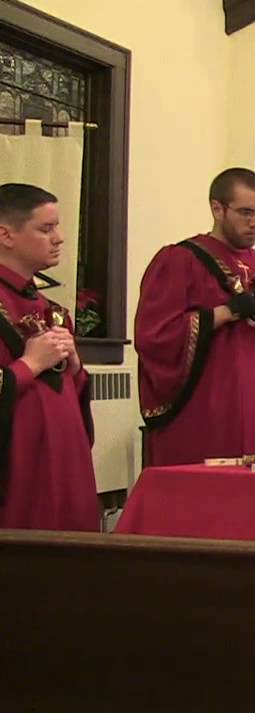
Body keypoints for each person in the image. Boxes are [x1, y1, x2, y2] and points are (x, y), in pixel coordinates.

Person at [135, 168, 255, 466]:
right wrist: (224, 313)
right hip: (207, 407)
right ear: (217, 208)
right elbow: (154, 336)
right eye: (246, 212)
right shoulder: (180, 259)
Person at [0, 183, 98, 530]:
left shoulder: (48, 306)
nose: (59, 238)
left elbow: (68, 387)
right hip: (20, 470)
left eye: (57, 227)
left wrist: (76, 369)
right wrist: (29, 365)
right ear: (6, 235)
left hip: (64, 460)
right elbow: (25, 372)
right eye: (46, 229)